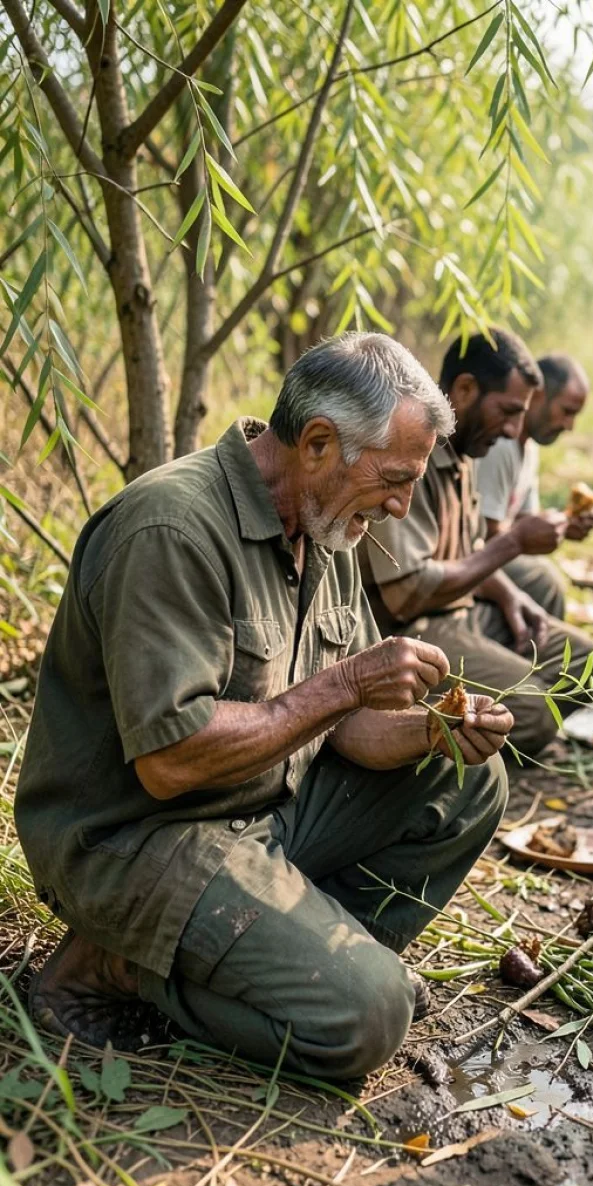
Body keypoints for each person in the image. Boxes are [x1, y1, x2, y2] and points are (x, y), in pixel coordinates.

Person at [18, 333, 514, 1077]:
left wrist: (430, 732)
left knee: (471, 781)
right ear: (318, 443)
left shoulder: (328, 525)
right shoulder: (170, 529)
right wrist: (346, 683)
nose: (402, 505)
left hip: (260, 814)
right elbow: (170, 761)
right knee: (369, 1019)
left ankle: (289, 953)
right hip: (140, 840)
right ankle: (117, 963)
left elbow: (341, 727)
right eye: (394, 478)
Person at [361, 328, 593, 758]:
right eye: (508, 412)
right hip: (411, 633)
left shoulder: (467, 451)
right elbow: (406, 593)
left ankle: (500, 728)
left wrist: (510, 597)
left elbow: (469, 553)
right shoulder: (407, 453)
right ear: (465, 389)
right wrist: (511, 543)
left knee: (586, 666)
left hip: (459, 613)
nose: (514, 430)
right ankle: (457, 736)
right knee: (535, 712)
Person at [474, 353, 593, 621]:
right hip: (474, 556)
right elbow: (488, 534)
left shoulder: (529, 448)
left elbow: (524, 518)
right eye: (566, 411)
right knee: (544, 578)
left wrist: (565, 524)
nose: (570, 425)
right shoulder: (501, 446)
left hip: (495, 552)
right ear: (537, 395)